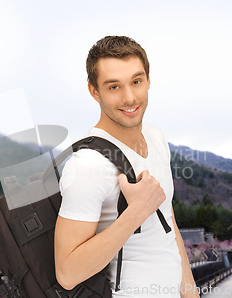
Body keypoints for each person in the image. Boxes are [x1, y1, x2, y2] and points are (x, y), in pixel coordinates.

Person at [54, 36, 199, 297]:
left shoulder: (155, 137)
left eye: (136, 81)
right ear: (94, 91)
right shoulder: (88, 165)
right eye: (114, 87)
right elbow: (67, 273)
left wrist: (190, 292)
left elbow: (168, 221)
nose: (130, 97)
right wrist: (136, 212)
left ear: (148, 81)